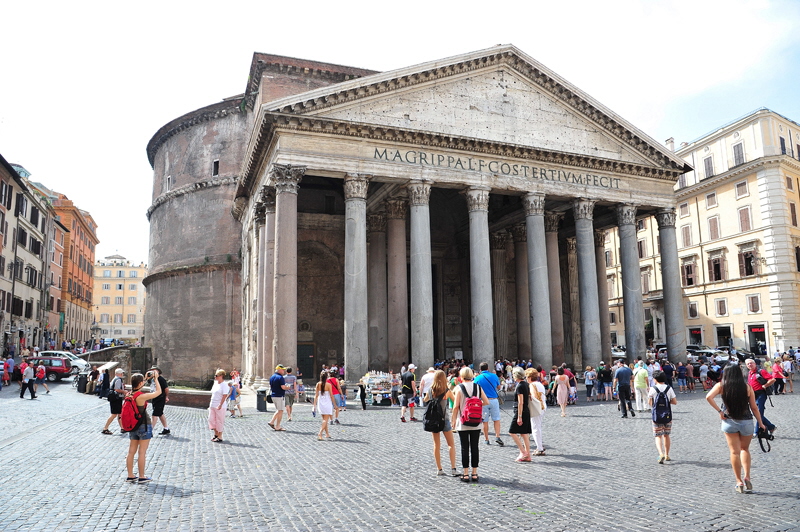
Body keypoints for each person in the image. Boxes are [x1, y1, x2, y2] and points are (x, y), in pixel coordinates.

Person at [706, 363, 766, 493]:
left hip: (729, 421)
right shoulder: (747, 387)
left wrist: (719, 411)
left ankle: (738, 481)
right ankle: (747, 477)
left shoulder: (721, 386)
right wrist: (760, 423)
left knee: (734, 452)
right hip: (746, 422)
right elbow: (754, 408)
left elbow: (708, 397)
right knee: (745, 449)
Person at [451, 367, 489, 482]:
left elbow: (456, 406)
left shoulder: (459, 388)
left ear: (461, 376)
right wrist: (476, 404)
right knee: (474, 447)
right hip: (476, 421)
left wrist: (453, 420)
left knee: (464, 447)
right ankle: (475, 473)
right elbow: (486, 402)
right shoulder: (478, 387)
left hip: (463, 422)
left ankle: (466, 473)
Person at [126, 370, 162, 482]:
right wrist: (156, 379)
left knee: (131, 451)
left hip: (133, 425)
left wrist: (145, 379)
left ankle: (130, 475)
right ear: (141, 383)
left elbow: (138, 387)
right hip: (143, 425)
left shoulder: (129, 394)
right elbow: (158, 392)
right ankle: (142, 476)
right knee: (142, 452)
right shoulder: (141, 397)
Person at [424, 369, 458, 476]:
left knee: (436, 445)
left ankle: (439, 469)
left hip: (434, 420)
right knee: (451, 444)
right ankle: (453, 469)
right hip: (444, 420)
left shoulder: (430, 390)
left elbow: (425, 400)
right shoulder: (446, 391)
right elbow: (455, 400)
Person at [648, 370, 677, 464]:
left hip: (656, 415)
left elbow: (650, 403)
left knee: (658, 436)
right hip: (667, 415)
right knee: (666, 435)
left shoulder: (653, 389)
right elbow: (674, 402)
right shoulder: (669, 388)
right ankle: (667, 454)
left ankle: (660, 453)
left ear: (655, 379)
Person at [473, 362, 504, 446]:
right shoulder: (494, 376)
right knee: (496, 419)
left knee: (484, 421)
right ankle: (497, 436)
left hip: (483, 402)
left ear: (480, 369)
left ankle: (486, 439)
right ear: (488, 368)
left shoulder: (477, 378)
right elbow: (498, 387)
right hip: (494, 400)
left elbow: (474, 389)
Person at [745, 359, 776, 435]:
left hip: (761, 394)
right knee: (756, 413)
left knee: (759, 412)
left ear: (755, 363)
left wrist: (765, 385)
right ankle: (771, 427)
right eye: (748, 364)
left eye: (751, 363)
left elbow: (773, 379)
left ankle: (756, 432)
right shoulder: (749, 373)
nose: (750, 365)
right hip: (753, 395)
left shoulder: (761, 371)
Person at [508, 367, 532, 462]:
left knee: (512, 432)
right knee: (524, 433)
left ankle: (523, 452)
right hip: (526, 410)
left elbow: (520, 402)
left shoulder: (519, 386)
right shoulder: (526, 384)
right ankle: (528, 455)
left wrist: (519, 416)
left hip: (521, 411)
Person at [525, 368, 547, 455]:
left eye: (527, 377)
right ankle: (540, 445)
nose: (526, 379)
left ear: (530, 377)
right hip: (543, 406)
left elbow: (533, 397)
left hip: (536, 408)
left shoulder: (532, 385)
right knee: (537, 427)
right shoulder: (539, 384)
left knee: (535, 428)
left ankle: (539, 448)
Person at [208, 369, 230, 443]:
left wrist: (220, 404)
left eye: (216, 375)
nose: (215, 376)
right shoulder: (215, 383)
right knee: (211, 420)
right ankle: (216, 434)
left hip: (220, 405)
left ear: (221, 376)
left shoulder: (224, 385)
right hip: (212, 404)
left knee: (219, 421)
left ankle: (220, 436)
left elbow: (224, 395)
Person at [148, 366, 171, 435]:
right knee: (160, 413)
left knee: (155, 414)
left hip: (160, 398)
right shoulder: (152, 379)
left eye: (154, 370)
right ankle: (166, 428)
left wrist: (166, 397)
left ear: (158, 371)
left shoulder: (161, 379)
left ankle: (150, 430)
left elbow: (166, 389)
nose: (152, 372)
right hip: (155, 398)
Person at [102, 368, 126, 434]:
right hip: (116, 398)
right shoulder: (118, 380)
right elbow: (117, 389)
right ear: (120, 373)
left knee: (119, 413)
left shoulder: (115, 379)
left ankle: (122, 428)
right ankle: (105, 428)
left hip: (115, 398)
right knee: (114, 414)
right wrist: (124, 391)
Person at [313, 370, 335, 440]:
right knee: (326, 419)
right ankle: (320, 433)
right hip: (327, 402)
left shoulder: (318, 384)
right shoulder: (328, 385)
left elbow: (316, 395)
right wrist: (335, 404)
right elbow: (331, 395)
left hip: (320, 402)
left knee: (324, 419)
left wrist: (314, 405)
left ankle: (327, 434)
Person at [269, 365, 289, 431]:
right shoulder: (280, 377)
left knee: (279, 410)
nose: (284, 371)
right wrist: (288, 387)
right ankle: (277, 426)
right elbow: (283, 387)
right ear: (279, 370)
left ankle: (272, 422)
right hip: (279, 396)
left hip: (273, 395)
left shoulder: (272, 377)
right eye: (283, 370)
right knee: (280, 411)